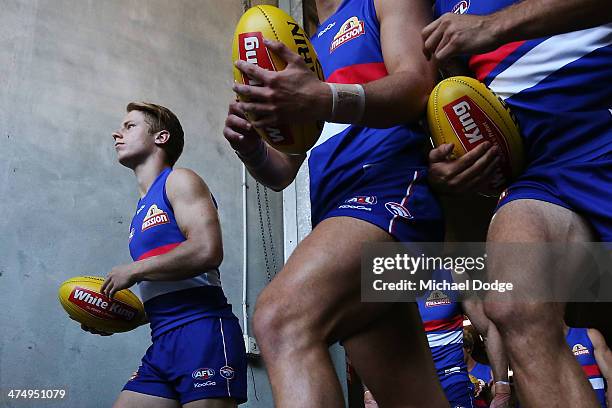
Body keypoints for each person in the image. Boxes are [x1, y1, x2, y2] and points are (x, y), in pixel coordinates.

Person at [225, 0, 448, 406]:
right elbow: (284, 171)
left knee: (279, 319)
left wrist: (323, 97)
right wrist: (254, 149)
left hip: (389, 190)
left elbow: (417, 85)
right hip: (338, 211)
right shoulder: (303, 46)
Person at [422, 1, 612, 407]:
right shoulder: (435, 7)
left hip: (603, 124)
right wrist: (446, 166)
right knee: (512, 302)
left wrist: (493, 26)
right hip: (545, 172)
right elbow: (461, 99)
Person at [83, 102, 247, 408]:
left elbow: (207, 250)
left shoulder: (180, 180)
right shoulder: (139, 212)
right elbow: (172, 283)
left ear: (161, 137)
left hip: (204, 334)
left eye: (130, 126)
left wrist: (136, 269)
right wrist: (119, 317)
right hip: (163, 341)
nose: (117, 133)